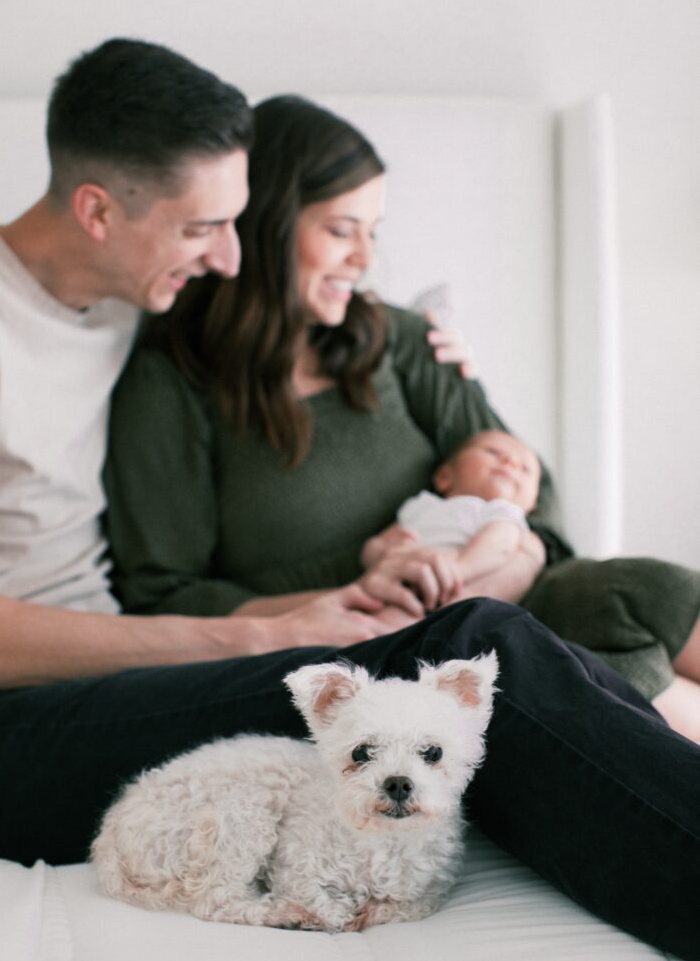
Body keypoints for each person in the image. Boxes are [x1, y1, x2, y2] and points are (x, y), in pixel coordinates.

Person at [0, 53, 698, 961]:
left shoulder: (131, 296)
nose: (229, 257)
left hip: (109, 682)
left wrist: (429, 354)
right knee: (469, 647)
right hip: (1, 725)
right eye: (203, 227)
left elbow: (289, 321)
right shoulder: (8, 317)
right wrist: (262, 632)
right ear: (96, 211)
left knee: (579, 620)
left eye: (236, 223)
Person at [105, 95, 700, 739]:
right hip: (370, 651)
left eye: (373, 232)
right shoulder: (172, 385)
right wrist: (356, 591)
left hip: (505, 591)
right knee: (598, 673)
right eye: (341, 230)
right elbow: (166, 597)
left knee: (646, 592)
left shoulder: (400, 339)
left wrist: (502, 565)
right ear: (265, 226)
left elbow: (528, 492)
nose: (365, 259)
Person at [360, 429, 546, 604]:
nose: (510, 461)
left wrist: (459, 569)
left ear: (531, 505)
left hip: (450, 587)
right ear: (444, 476)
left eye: (525, 469)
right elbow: (376, 544)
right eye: (493, 452)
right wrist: (385, 554)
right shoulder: (421, 505)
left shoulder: (505, 513)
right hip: (396, 583)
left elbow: (499, 546)